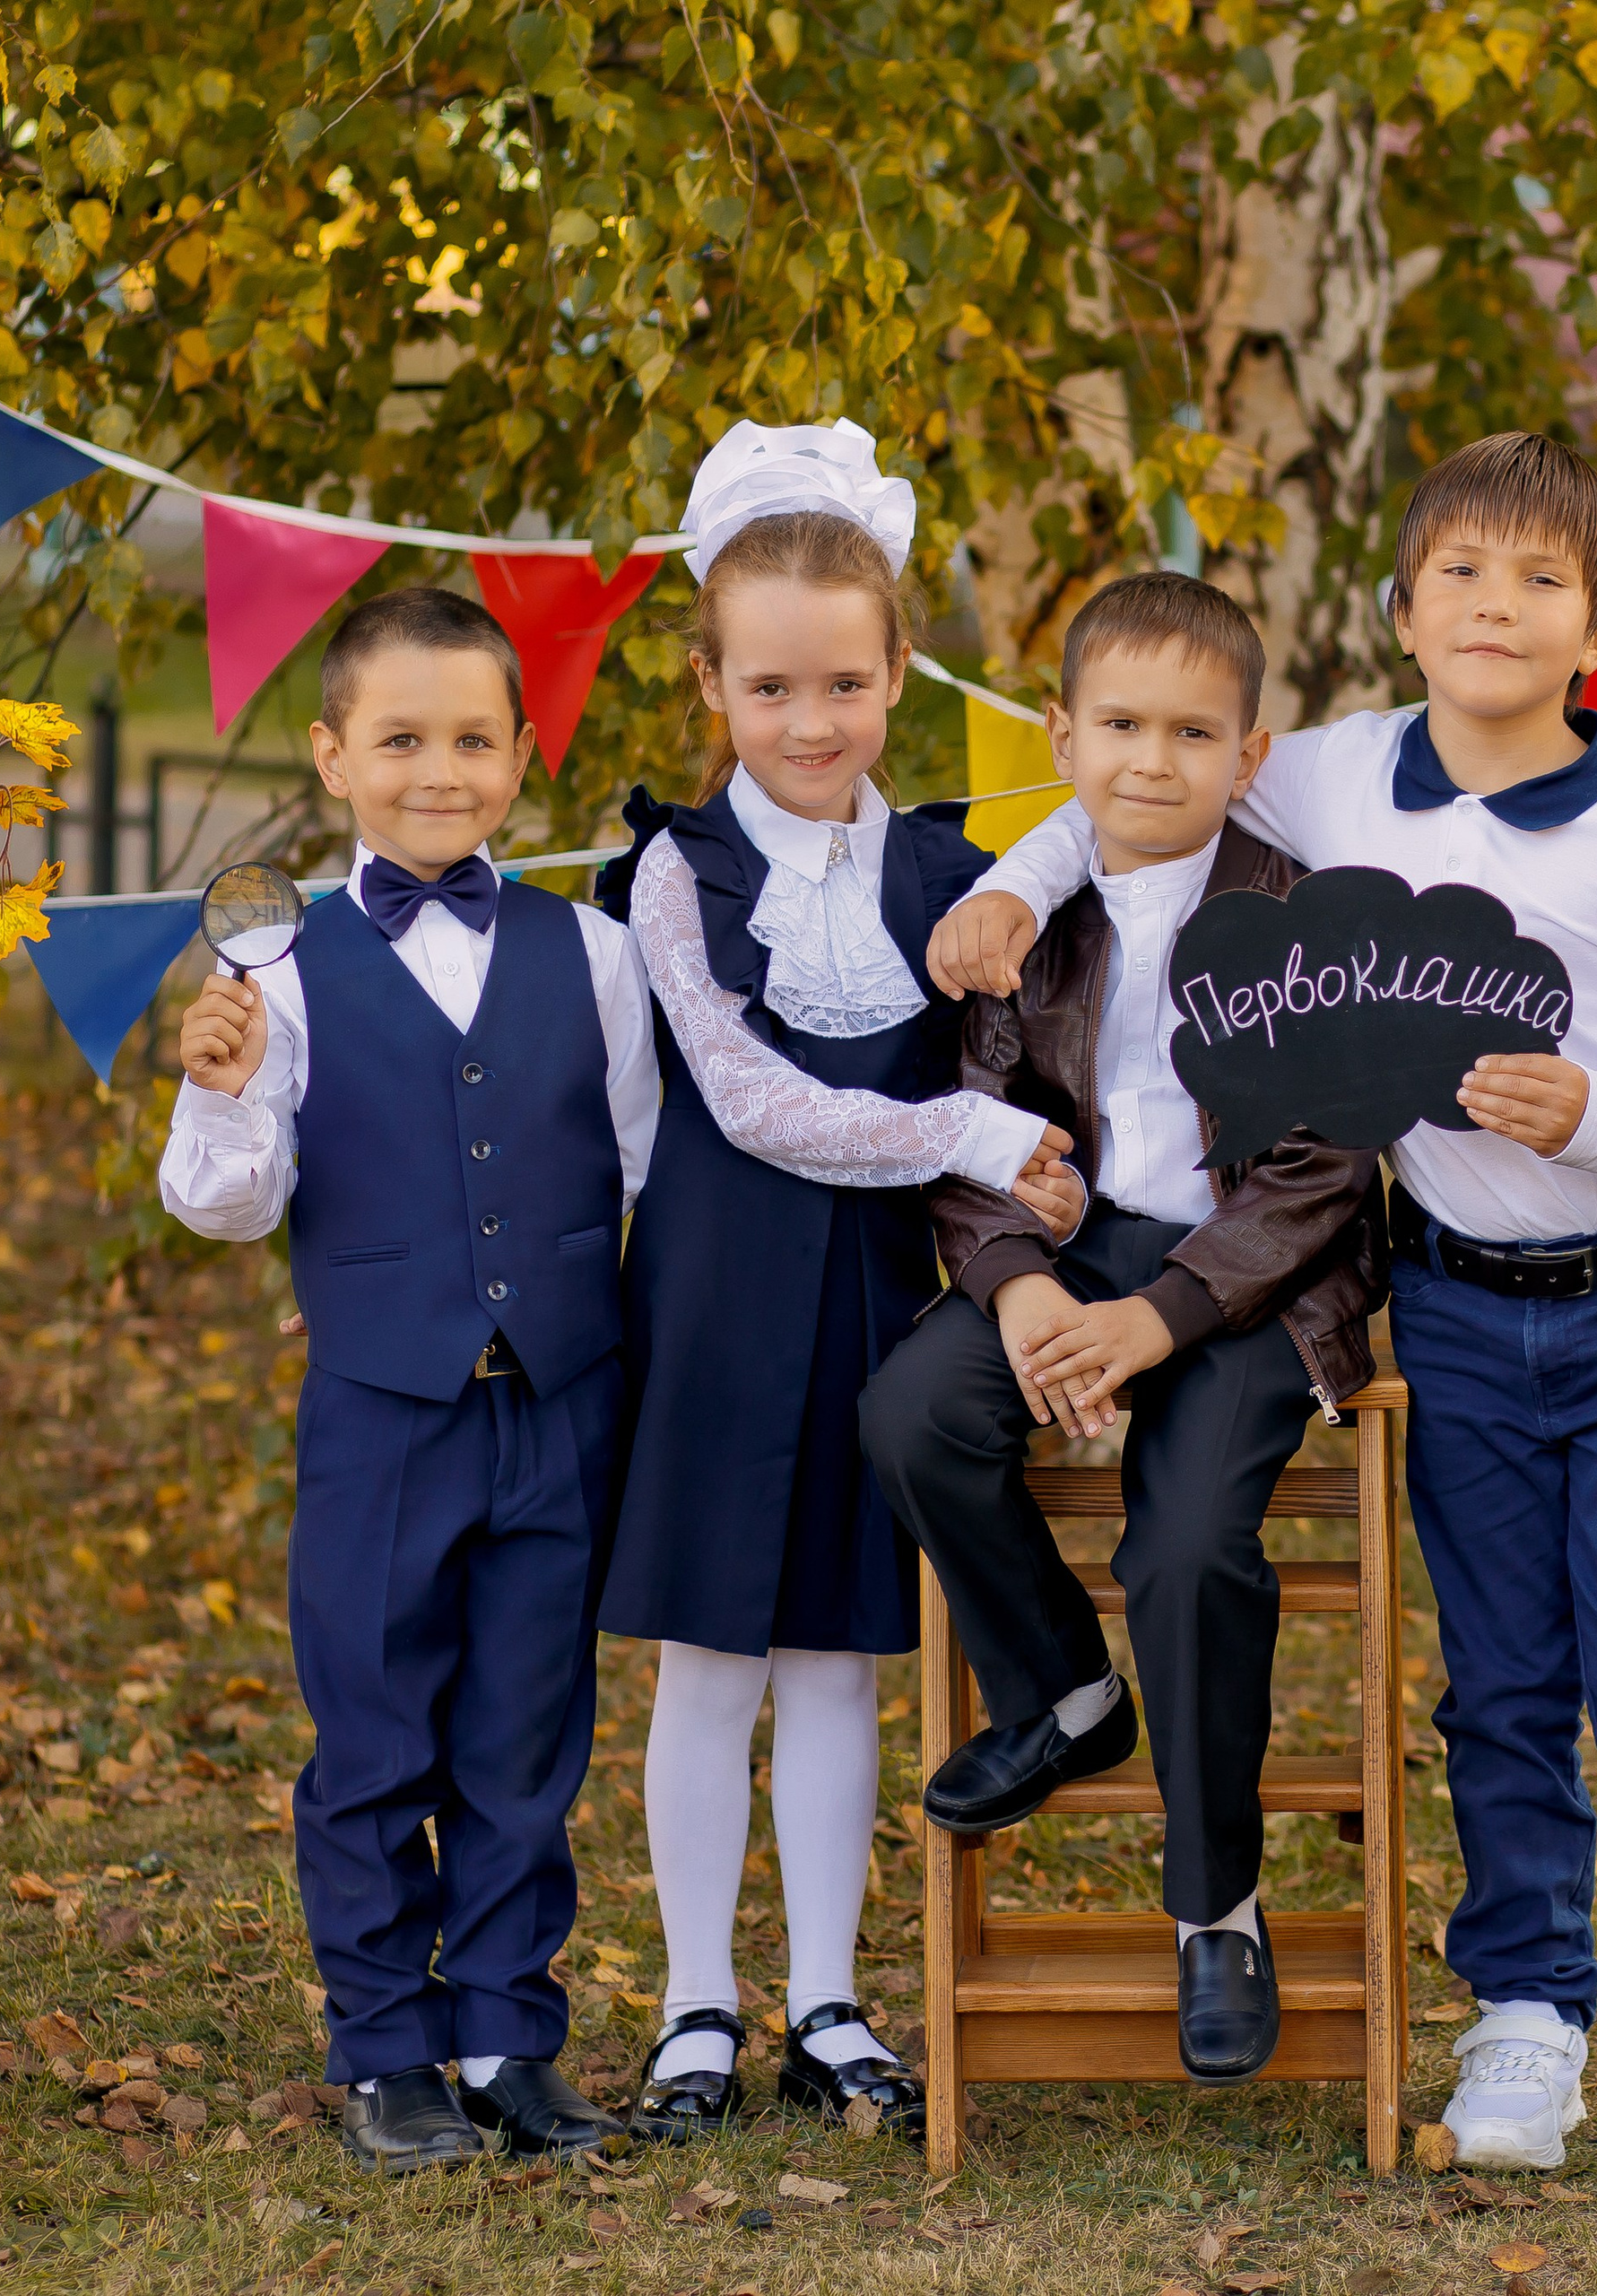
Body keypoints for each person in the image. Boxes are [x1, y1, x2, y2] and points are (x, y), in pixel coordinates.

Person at [927, 434, 1597, 2214]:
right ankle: (1528, 2008)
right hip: (1458, 1311)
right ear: (1400, 614)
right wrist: (1014, 878)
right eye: (1459, 575)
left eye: (1538, 581)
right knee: (1497, 1680)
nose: (1493, 605)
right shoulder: (1327, 782)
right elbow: (1133, 775)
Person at [597, 419, 1079, 2149]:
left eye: (852, 686)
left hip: (879, 1317)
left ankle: (825, 1998)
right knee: (711, 1663)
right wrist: (969, 1125)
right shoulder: (679, 872)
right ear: (713, 684)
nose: (815, 725)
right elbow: (752, 1102)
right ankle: (691, 2008)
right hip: (721, 1311)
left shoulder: (952, 876)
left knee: (833, 1663)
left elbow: (1079, 903)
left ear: (897, 676)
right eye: (775, 688)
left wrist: (1036, 1156)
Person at [860, 571, 1388, 2083]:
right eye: (1120, 725)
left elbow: (1326, 1167)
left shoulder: (1300, 918)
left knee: (1189, 1545)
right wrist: (1021, 1280)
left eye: (1192, 732)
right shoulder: (1024, 921)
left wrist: (1160, 1323)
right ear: (1061, 731)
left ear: (1253, 751)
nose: (1151, 760)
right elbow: (976, 1125)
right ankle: (1068, 1692)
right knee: (912, 1415)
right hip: (1072, 1245)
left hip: (1251, 1278)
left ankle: (1215, 1905)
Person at [161, 587, 660, 2172]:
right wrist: (227, 1093)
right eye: (399, 739)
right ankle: (386, 2046)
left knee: (527, 1730)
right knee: (375, 1732)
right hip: (382, 1410)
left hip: (560, 1403)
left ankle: (508, 2031)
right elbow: (225, 1201)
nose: (436, 769)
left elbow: (635, 1162)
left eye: (470, 738)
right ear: (331, 756)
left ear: (523, 754)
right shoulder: (286, 967)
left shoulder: (594, 952)